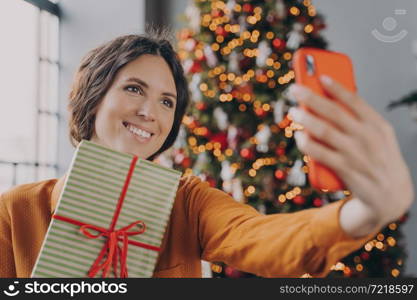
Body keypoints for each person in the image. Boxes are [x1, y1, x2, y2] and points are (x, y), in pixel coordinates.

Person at [0, 31, 414, 278]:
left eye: (167, 101)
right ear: (91, 99)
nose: (151, 112)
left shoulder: (188, 200)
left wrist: (367, 211)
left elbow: (262, 240)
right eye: (134, 89)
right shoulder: (15, 211)